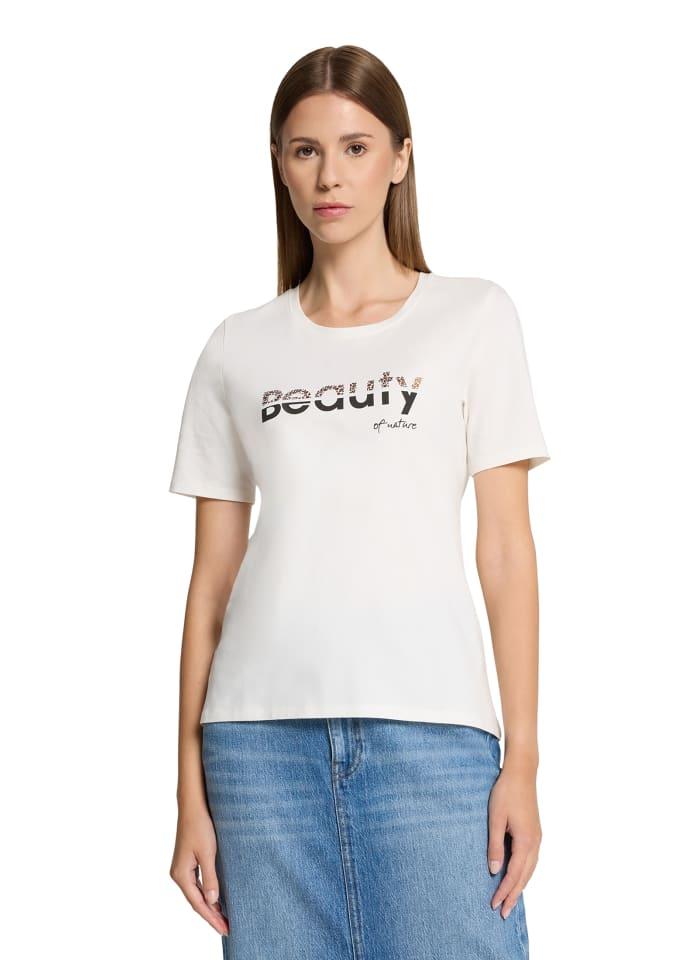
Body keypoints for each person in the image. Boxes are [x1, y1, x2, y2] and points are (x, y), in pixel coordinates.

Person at [168, 44, 549, 960]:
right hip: (256, 753)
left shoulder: (473, 317)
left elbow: (505, 553)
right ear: (280, 165)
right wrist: (188, 791)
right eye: (305, 150)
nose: (330, 176)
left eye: (355, 147)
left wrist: (524, 761)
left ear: (400, 159)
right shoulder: (236, 348)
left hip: (433, 740)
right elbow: (210, 586)